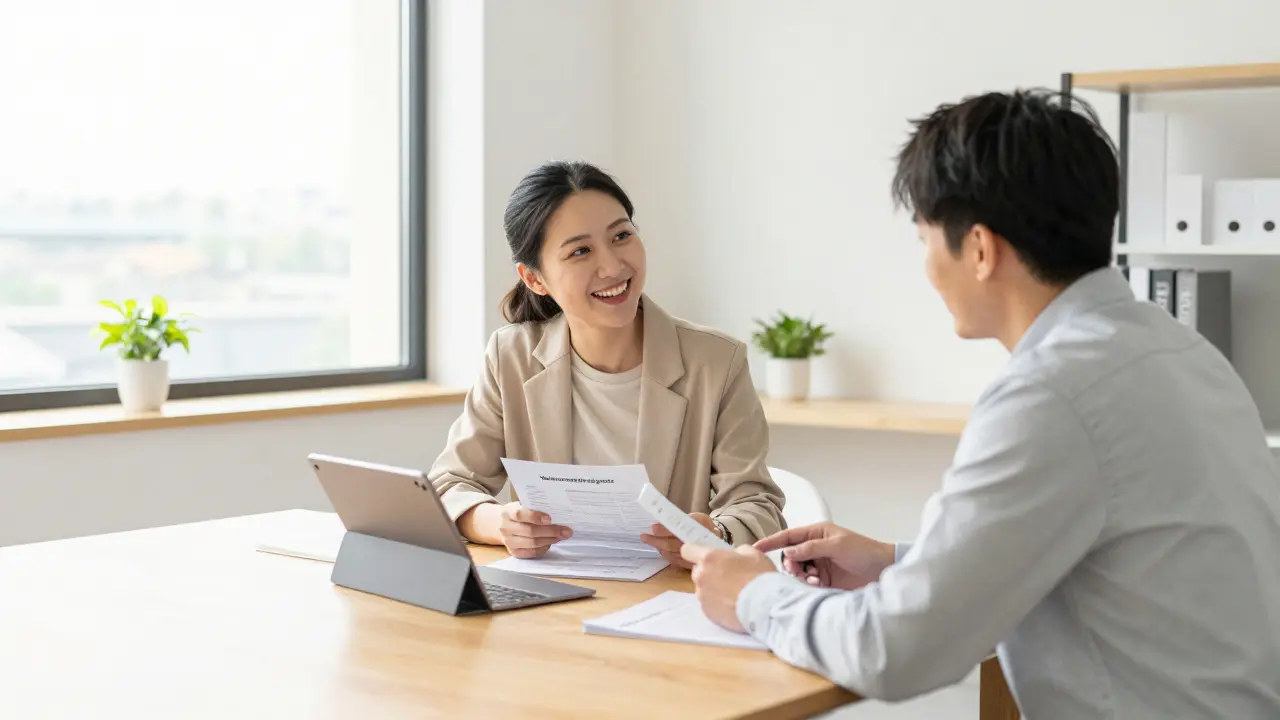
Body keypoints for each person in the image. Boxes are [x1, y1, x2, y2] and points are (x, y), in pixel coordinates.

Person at [681, 89, 1280, 718]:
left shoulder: (1051, 393)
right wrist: (898, 564)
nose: (927, 269)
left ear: (980, 250)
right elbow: (1109, 565)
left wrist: (753, 596)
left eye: (925, 241)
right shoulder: (1179, 351)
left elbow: (896, 651)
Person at [429, 160, 785, 567]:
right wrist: (498, 523)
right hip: (550, 601)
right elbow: (449, 484)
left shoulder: (717, 363)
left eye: (621, 235)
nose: (613, 266)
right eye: (580, 251)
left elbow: (757, 504)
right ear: (534, 279)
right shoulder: (510, 358)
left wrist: (715, 532)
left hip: (676, 600)